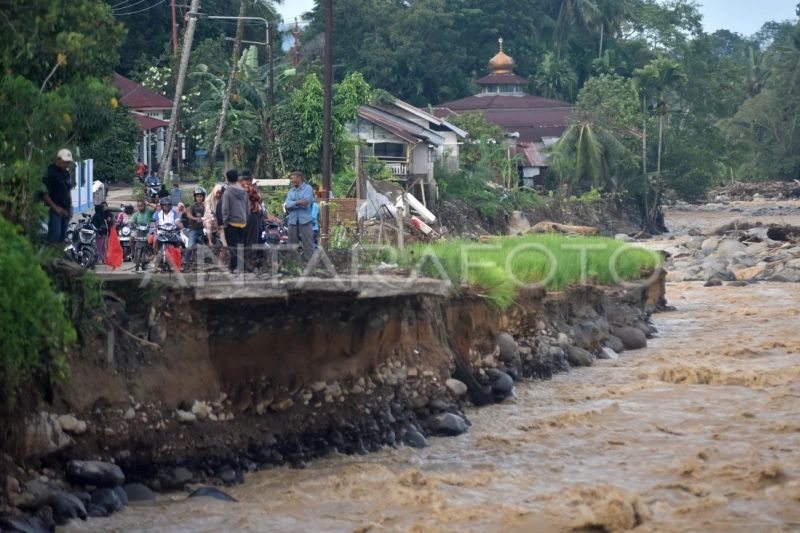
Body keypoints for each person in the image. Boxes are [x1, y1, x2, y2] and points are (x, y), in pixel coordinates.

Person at [283, 170, 315, 263]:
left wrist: (293, 203)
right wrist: (298, 202)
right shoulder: (291, 191)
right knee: (291, 244)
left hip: (305, 220)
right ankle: (291, 263)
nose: (291, 180)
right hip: (292, 221)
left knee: (308, 243)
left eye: (292, 177)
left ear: (298, 177)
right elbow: (287, 205)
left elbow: (306, 202)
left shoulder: (308, 188)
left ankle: (310, 263)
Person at [43, 149, 74, 243]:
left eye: (68, 163)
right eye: (65, 162)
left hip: (66, 209)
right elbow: (43, 193)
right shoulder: (49, 172)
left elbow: (68, 190)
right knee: (54, 238)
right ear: (59, 159)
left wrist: (70, 207)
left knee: (62, 237)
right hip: (54, 209)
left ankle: (58, 256)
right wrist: (55, 207)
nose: (67, 165)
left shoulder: (66, 173)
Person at [221, 169, 249, 272]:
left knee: (232, 247)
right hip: (243, 223)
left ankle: (236, 267)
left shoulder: (227, 192)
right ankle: (235, 267)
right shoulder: (244, 191)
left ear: (227, 179)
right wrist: (245, 219)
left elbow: (225, 210)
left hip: (231, 223)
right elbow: (247, 208)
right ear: (237, 178)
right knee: (240, 246)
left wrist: (224, 222)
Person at [239, 170, 264, 269]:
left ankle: (242, 262)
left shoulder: (236, 188)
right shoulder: (248, 188)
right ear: (249, 178)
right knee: (252, 239)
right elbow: (258, 199)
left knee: (242, 240)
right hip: (251, 216)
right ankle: (249, 262)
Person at [185, 187, 206, 264]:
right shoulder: (192, 206)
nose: (199, 198)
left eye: (201, 196)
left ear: (203, 197)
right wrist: (195, 218)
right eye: (197, 196)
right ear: (195, 197)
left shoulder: (205, 206)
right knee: (190, 246)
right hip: (194, 230)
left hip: (204, 229)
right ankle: (185, 262)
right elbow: (188, 214)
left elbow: (210, 213)